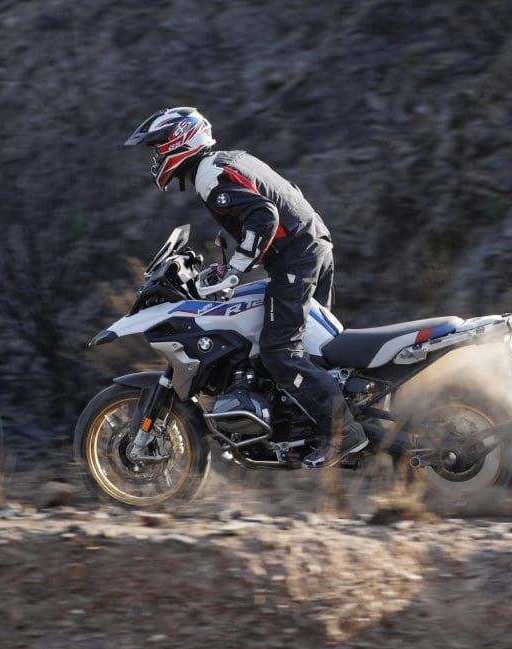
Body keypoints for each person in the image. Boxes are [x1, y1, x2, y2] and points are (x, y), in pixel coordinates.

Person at [124, 106, 367, 469]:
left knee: (279, 350)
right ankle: (321, 429)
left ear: (180, 141)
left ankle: (343, 433)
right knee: (315, 354)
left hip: (296, 257)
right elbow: (266, 212)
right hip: (312, 246)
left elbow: (264, 216)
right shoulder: (227, 161)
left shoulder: (209, 174)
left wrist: (235, 270)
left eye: (158, 149)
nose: (156, 158)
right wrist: (228, 266)